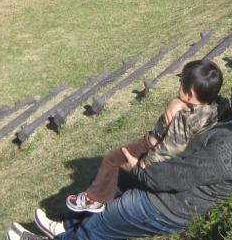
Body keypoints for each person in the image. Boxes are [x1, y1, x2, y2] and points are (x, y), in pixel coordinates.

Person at [7, 58, 232, 240]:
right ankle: (68, 225)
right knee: (116, 180)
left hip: (171, 205)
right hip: (172, 179)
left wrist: (138, 168)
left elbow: (174, 176)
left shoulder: (231, 151)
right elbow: (213, 106)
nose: (229, 95)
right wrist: (181, 102)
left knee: (108, 218)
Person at [65, 59, 223, 214]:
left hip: (150, 145)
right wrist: (178, 101)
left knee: (111, 160)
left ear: (189, 94)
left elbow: (171, 147)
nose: (179, 84)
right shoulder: (213, 106)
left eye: (181, 83)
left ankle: (93, 199)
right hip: (158, 143)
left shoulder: (184, 117)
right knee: (120, 172)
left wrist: (145, 164)